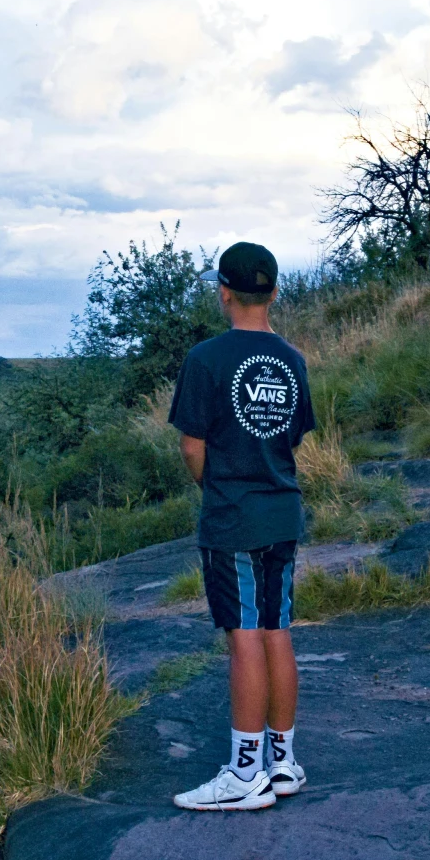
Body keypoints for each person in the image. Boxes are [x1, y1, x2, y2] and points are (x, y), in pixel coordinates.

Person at [166, 240, 315, 814]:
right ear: (274, 291)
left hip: (234, 517)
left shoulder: (205, 359)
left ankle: (246, 772)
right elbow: (292, 436)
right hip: (283, 511)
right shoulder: (293, 359)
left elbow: (191, 444)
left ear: (224, 291)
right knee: (276, 627)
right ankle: (283, 763)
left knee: (244, 635)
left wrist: (218, 486)